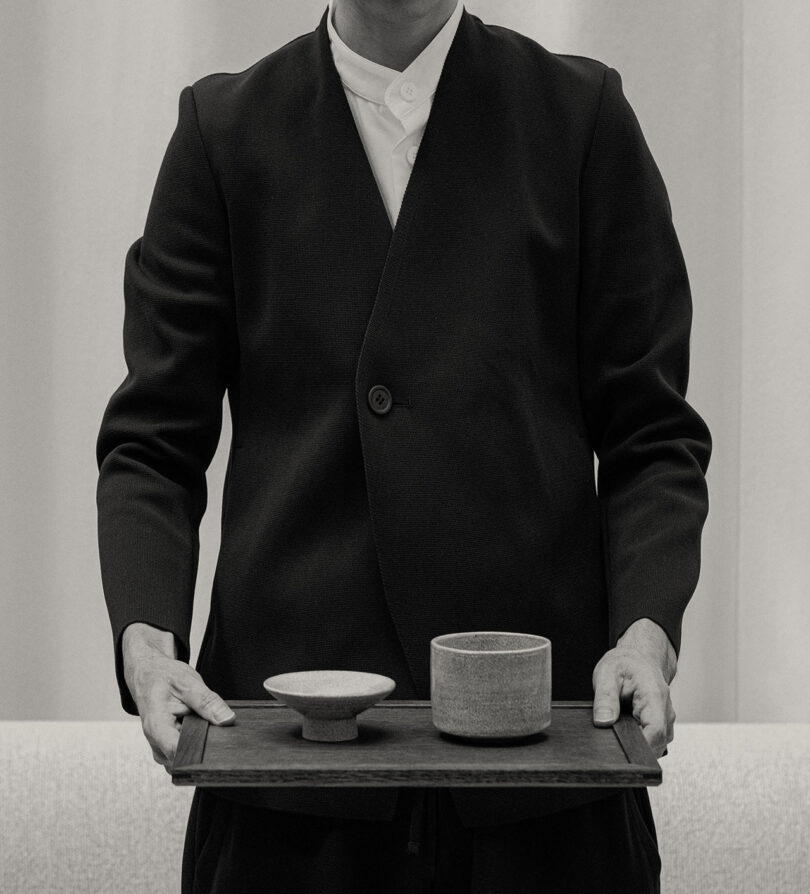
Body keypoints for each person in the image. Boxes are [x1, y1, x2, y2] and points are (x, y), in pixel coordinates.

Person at [95, 0, 712, 891]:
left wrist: (646, 632)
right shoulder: (222, 132)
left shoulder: (581, 120)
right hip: (286, 787)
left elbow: (653, 435)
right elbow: (153, 442)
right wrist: (148, 643)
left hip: (543, 780)